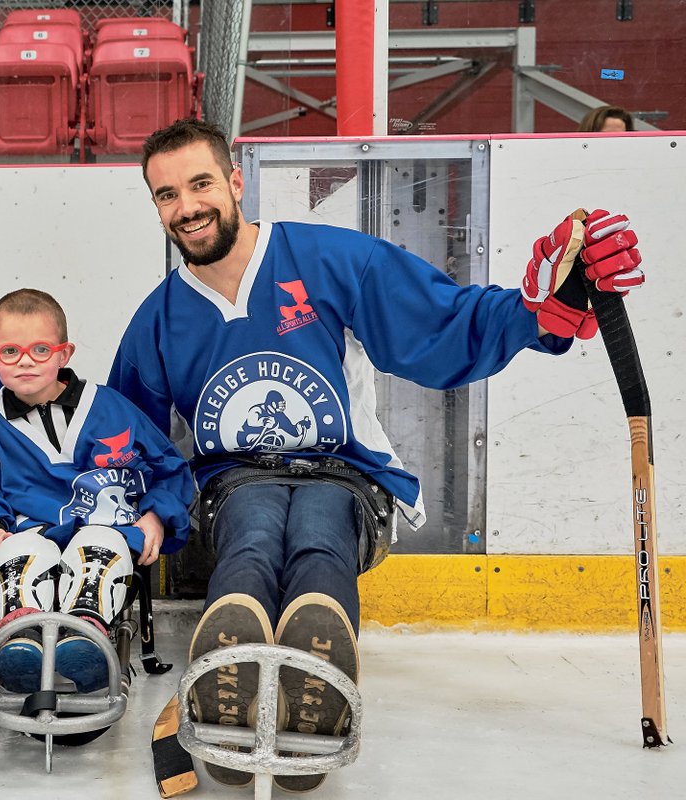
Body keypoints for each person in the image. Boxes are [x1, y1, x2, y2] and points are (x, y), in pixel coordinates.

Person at [108, 118, 644, 790]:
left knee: (318, 537)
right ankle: (230, 677)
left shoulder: (328, 260)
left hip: (343, 475)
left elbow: (438, 324)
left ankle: (316, 691)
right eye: (166, 195)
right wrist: (124, 520)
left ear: (235, 182)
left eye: (200, 184)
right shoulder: (156, 319)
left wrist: (537, 311)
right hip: (235, 485)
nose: (187, 207)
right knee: (251, 537)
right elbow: (126, 442)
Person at [0, 288, 193, 697]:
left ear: (64, 354)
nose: (26, 360)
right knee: (17, 551)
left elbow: (169, 467)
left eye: (40, 350)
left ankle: (87, 637)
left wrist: (155, 517)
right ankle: (19, 642)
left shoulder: (112, 406)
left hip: (108, 529)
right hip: (30, 530)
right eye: (10, 351)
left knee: (99, 543)